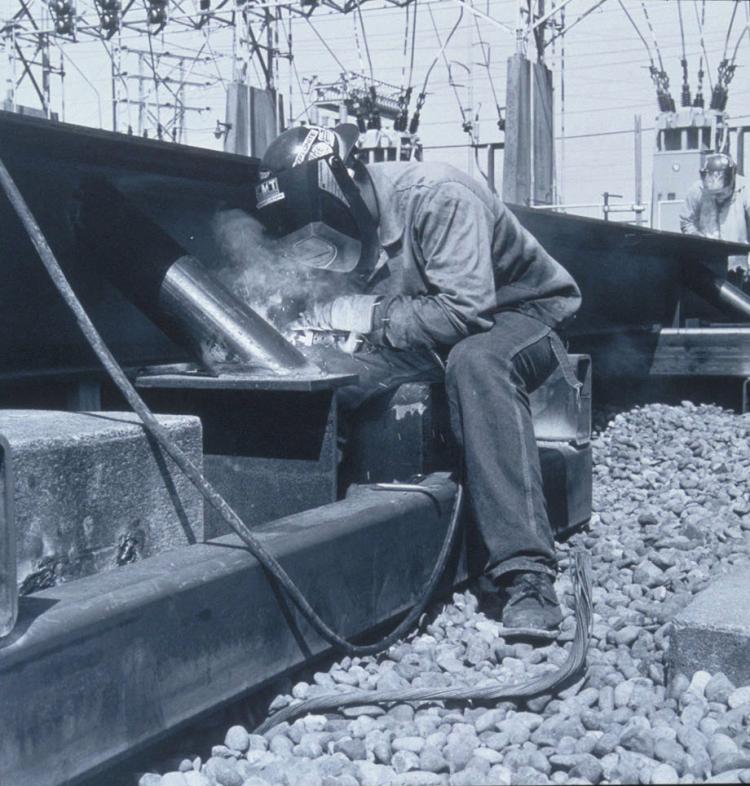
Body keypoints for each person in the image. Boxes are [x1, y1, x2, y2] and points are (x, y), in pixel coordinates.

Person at [254, 124, 582, 633]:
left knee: (476, 362)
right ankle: (299, 545)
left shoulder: (437, 195)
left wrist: (361, 314)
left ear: (347, 189)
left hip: (518, 317)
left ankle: (526, 574)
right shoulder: (342, 219)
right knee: (323, 373)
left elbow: (465, 314)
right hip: (423, 328)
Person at [680, 152, 750, 277]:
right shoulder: (696, 191)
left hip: (738, 266)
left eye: (722, 193)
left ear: (732, 179)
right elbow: (687, 222)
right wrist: (700, 240)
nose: (718, 199)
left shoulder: (746, 190)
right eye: (713, 195)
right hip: (706, 265)